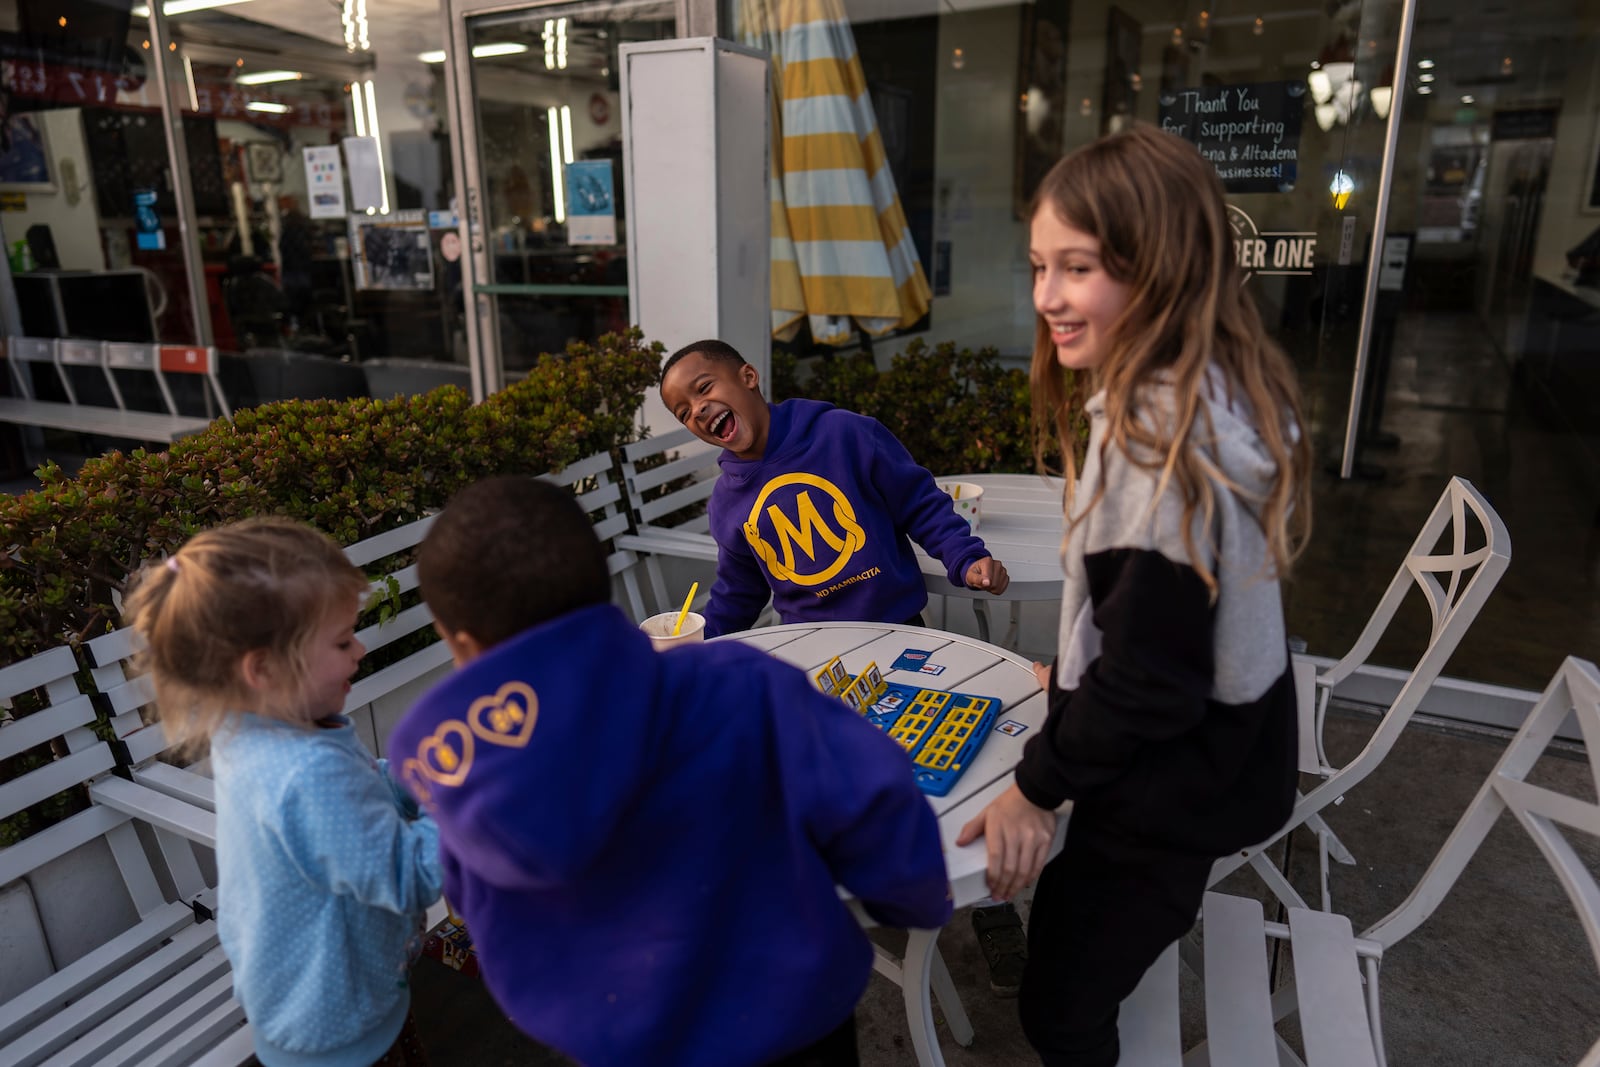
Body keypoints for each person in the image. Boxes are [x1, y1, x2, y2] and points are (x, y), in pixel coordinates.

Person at [955, 124, 1309, 1067]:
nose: (1046, 298)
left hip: (1165, 788)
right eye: (1039, 266)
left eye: (1076, 268)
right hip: (1215, 765)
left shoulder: (1157, 443)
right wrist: (1077, 671)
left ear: (1160, 268)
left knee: (1060, 1005)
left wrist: (1035, 788)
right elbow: (1157, 629)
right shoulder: (1213, 392)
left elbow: (1151, 683)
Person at [389, 476, 952, 1067]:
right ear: (600, 588)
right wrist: (911, 901)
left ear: (464, 645)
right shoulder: (742, 685)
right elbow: (872, 798)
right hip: (791, 1020)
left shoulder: (461, 778)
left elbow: (468, 896)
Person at [122, 519, 444, 1067]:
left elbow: (356, 793)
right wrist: (466, 811)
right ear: (264, 669)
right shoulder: (304, 772)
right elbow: (406, 873)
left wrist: (412, 777)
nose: (360, 648)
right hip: (338, 1028)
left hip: (309, 997)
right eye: (342, 640)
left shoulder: (257, 727)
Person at [657, 339, 1011, 639]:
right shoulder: (725, 503)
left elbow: (920, 504)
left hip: (896, 629)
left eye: (704, 388)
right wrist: (698, 644)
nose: (698, 409)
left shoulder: (846, 434)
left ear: (748, 376)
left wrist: (964, 557)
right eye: (684, 412)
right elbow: (739, 592)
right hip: (806, 644)